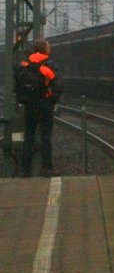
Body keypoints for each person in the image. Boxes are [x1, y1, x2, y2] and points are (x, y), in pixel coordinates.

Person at [15, 38, 61, 177]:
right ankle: (47, 168)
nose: (50, 48)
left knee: (28, 136)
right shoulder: (48, 64)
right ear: (45, 49)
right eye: (48, 46)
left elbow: (18, 81)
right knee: (45, 136)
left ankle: (25, 169)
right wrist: (53, 100)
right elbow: (58, 84)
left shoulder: (25, 64)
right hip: (45, 104)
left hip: (29, 104)